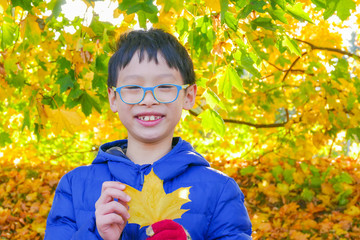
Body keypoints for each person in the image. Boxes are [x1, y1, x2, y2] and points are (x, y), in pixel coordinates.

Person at [45, 28, 252, 240]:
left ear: (189, 96)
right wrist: (98, 236)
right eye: (133, 87)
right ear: (113, 98)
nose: (148, 99)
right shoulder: (75, 185)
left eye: (164, 86)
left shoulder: (219, 190)